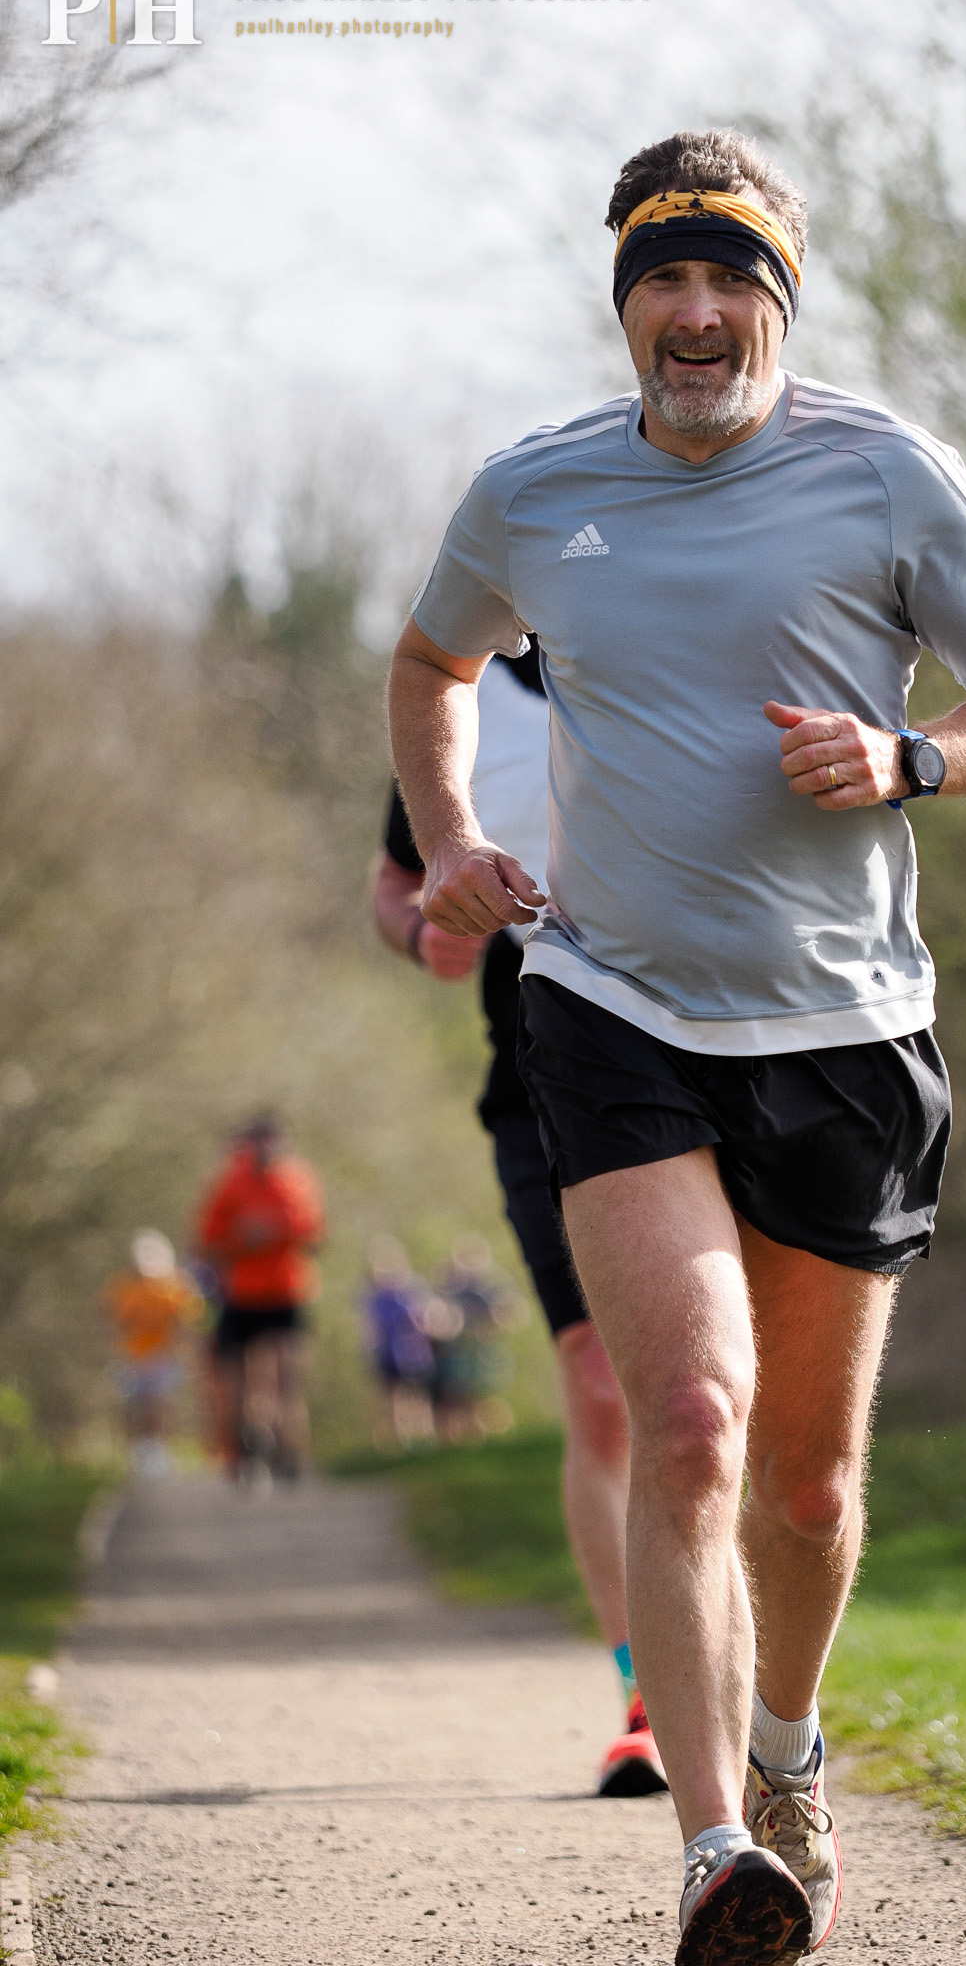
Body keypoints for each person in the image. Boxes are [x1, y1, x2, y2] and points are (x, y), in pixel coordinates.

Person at [388, 127, 966, 1965]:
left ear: (777, 298)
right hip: (609, 1002)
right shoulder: (534, 492)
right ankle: (713, 1855)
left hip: (851, 1024)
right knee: (684, 1418)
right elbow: (429, 662)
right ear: (625, 304)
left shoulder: (888, 476)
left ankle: (786, 1758)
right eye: (663, 284)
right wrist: (451, 845)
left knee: (808, 1481)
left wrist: (911, 755)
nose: (696, 316)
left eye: (729, 283)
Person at [372, 648, 666, 1799]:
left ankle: (757, 1672)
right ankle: (649, 1690)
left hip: (716, 1056)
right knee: (603, 1386)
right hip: (539, 1081)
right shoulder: (460, 689)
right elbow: (393, 878)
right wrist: (423, 933)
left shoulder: (681, 634)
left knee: (721, 1392)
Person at [195, 1116, 325, 1486]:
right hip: (241, 1294)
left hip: (286, 1292)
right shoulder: (229, 1183)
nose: (265, 1151)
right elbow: (207, 1239)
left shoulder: (299, 1180)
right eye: (257, 1143)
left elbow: (314, 1233)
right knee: (241, 1379)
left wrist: (276, 1231)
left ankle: (290, 1452)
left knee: (286, 1375)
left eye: (272, 1142)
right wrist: (241, 1239)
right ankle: (242, 1452)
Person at [98, 1230, 202, 1476]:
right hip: (134, 1357)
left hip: (164, 1356)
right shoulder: (126, 1288)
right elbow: (108, 1314)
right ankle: (141, 1450)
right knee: (138, 1405)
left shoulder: (176, 1286)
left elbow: (187, 1322)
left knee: (159, 1402)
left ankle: (158, 1450)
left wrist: (183, 1350)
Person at [424, 1232, 525, 1443]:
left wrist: (490, 1320)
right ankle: (471, 1441)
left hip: (486, 1352)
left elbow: (514, 1314)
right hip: (459, 1352)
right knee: (461, 1398)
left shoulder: (492, 1285)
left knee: (487, 1398)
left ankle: (497, 1439)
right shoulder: (452, 1286)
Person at [360, 1235, 436, 1448]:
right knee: (391, 1397)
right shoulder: (374, 1297)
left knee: (417, 1395)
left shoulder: (413, 1290)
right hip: (387, 1353)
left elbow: (426, 1319)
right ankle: (397, 1440)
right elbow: (371, 1327)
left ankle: (423, 1437)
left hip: (413, 1353)